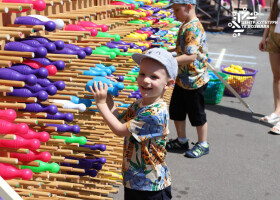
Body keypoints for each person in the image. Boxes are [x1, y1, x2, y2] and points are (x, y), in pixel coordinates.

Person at [89, 48, 177, 200]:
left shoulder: (155, 113)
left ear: (168, 84)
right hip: (135, 181)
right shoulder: (140, 104)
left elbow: (119, 130)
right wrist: (109, 99)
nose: (145, 80)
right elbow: (119, 120)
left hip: (150, 186)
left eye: (154, 77)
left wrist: (101, 104)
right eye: (142, 74)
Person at [163, 0, 210, 158]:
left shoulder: (193, 27)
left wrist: (168, 60)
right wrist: (166, 50)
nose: (174, 13)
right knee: (177, 111)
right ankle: (182, 140)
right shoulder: (185, 24)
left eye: (176, 10)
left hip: (194, 81)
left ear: (188, 7)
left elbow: (190, 56)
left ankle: (203, 143)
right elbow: (181, 49)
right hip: (182, 79)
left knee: (197, 115)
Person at [259, 0, 280, 134]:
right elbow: (272, 15)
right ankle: (277, 111)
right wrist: (264, 37)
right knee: (276, 76)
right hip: (274, 34)